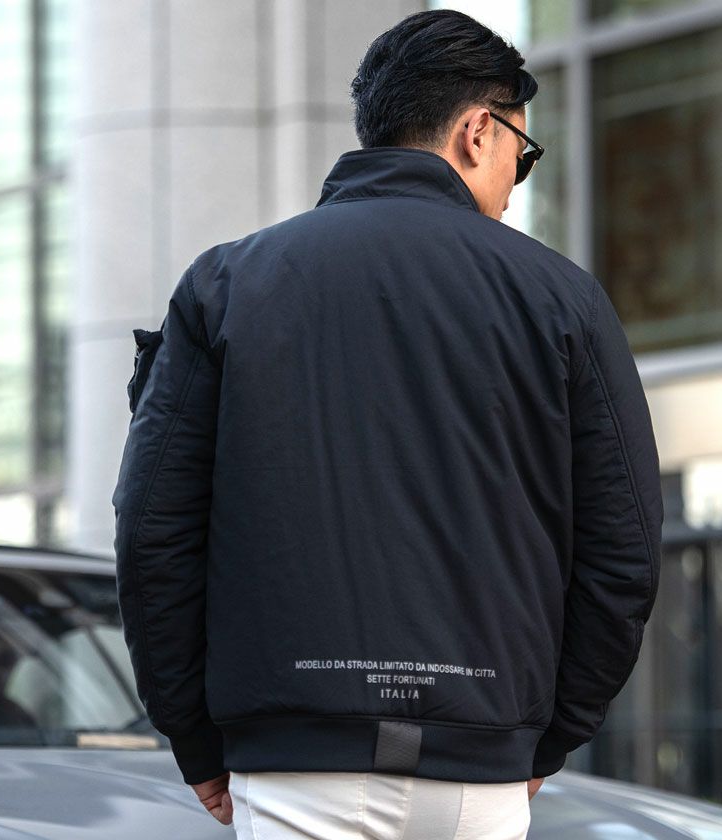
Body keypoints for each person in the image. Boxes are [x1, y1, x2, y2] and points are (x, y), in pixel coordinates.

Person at [111, 9, 663, 840]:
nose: (516, 181)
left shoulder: (227, 285)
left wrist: (194, 734)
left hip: (297, 758)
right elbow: (624, 551)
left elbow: (153, 529)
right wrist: (546, 735)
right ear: (479, 131)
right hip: (483, 762)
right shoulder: (562, 300)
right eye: (524, 154)